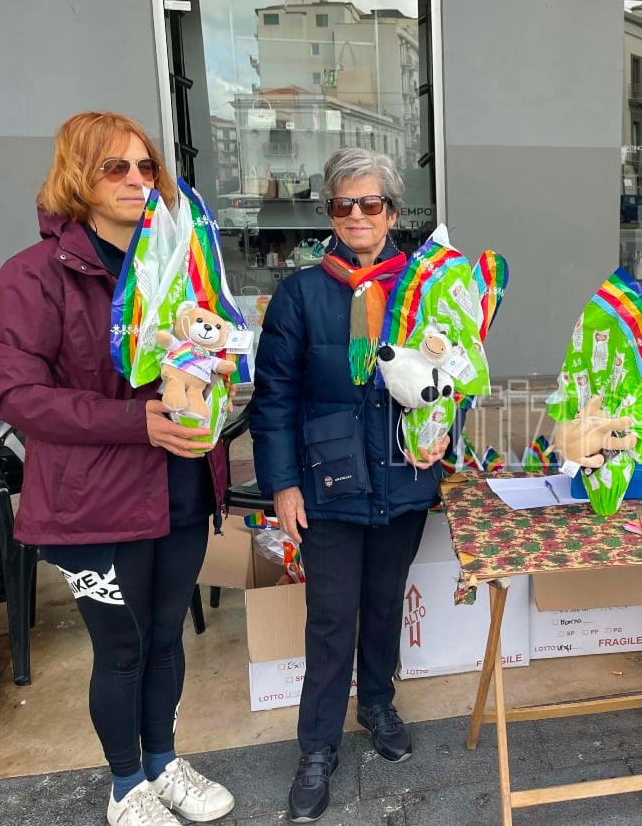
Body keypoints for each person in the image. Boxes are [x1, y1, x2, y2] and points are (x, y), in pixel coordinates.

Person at [0, 112, 235, 826]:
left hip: (181, 484)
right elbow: (17, 395)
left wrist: (215, 381)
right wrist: (136, 421)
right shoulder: (34, 276)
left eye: (145, 168)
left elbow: (204, 355)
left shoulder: (180, 264)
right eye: (113, 168)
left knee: (165, 639)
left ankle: (163, 761)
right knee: (121, 650)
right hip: (93, 501)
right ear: (76, 179)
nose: (135, 180)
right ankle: (125, 785)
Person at [250, 148, 449, 823]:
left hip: (402, 475)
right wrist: (282, 485)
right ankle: (317, 747)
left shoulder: (426, 287)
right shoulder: (301, 294)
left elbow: (458, 374)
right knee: (331, 619)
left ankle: (379, 706)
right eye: (344, 205)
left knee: (385, 602)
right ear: (329, 214)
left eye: (372, 204)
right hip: (327, 483)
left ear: (393, 212)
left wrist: (448, 424)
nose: (358, 215)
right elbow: (273, 398)